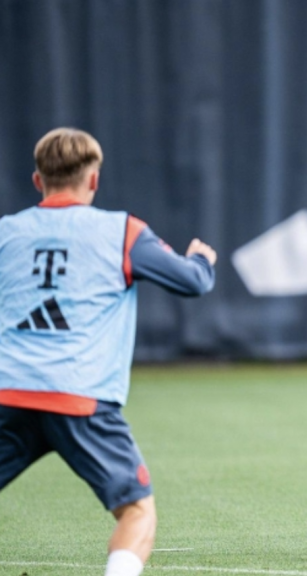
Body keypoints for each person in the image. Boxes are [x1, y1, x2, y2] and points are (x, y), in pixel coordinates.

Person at [0, 128, 216, 576]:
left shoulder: (6, 233)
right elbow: (192, 282)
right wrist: (201, 259)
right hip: (80, 398)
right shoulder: (122, 232)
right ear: (94, 180)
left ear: (38, 180)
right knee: (136, 512)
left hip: (9, 393)